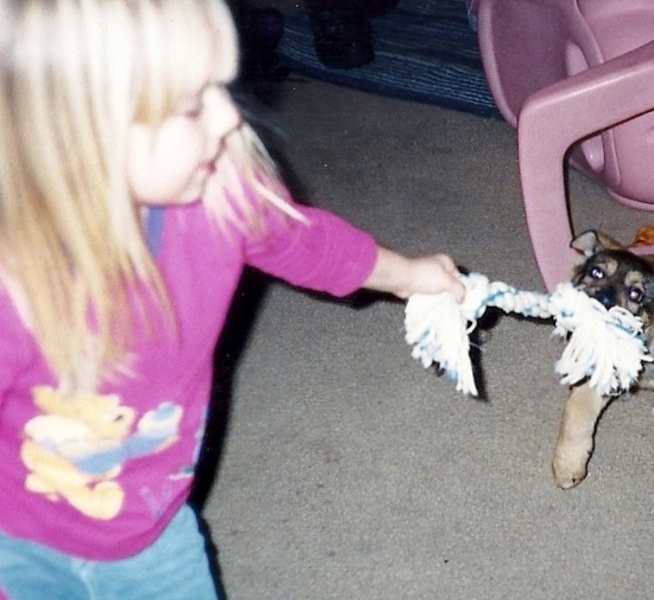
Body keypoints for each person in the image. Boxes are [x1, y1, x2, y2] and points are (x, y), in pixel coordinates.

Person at [0, 0, 465, 598]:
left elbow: (310, 243)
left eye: (221, 86)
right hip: (19, 540)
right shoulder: (16, 286)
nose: (226, 117)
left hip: (153, 532)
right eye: (193, 104)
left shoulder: (225, 194)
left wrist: (406, 275)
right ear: (77, 136)